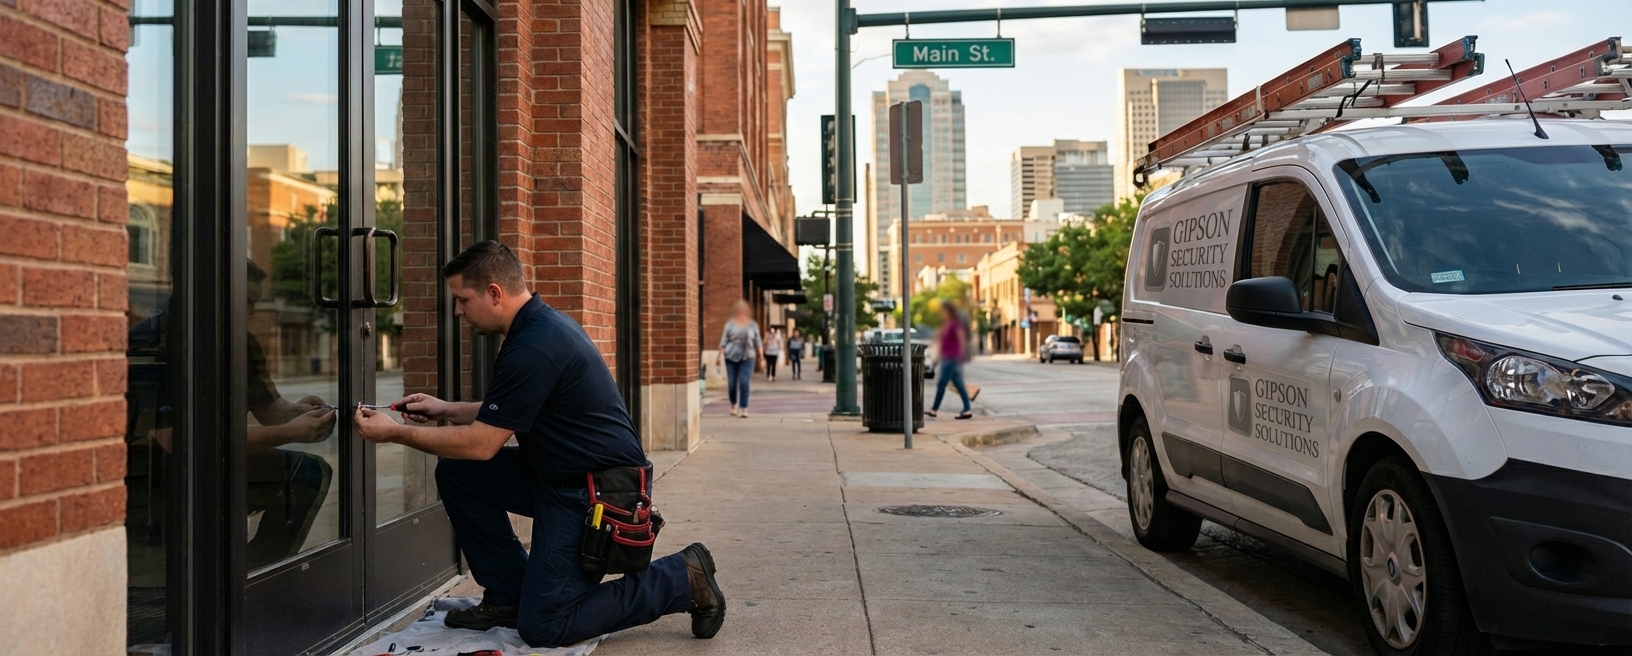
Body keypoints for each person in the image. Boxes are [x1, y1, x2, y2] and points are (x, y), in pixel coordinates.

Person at [353, 241, 725, 648]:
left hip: (595, 496)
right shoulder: (539, 327)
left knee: (546, 625)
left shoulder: (534, 344)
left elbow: (482, 444)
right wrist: (446, 408)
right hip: (558, 478)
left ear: (494, 293)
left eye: (462, 299)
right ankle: (508, 596)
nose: (458, 311)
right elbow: (514, 410)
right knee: (460, 474)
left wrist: (395, 433)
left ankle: (681, 578)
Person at [926, 302, 974, 420]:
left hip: (953, 358)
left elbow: (961, 339)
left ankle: (934, 409)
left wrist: (963, 355)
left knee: (942, 383)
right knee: (958, 384)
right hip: (947, 358)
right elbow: (940, 341)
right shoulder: (946, 325)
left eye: (943, 311)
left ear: (949, 311)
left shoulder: (955, 324)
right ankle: (967, 409)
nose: (941, 314)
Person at [715, 300, 760, 418]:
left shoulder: (753, 325)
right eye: (739, 310)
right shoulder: (730, 325)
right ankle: (733, 404)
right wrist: (719, 356)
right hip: (731, 356)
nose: (741, 312)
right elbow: (724, 341)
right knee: (732, 383)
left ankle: (744, 408)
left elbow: (758, 342)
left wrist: (762, 357)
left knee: (744, 381)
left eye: (743, 310)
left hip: (748, 356)